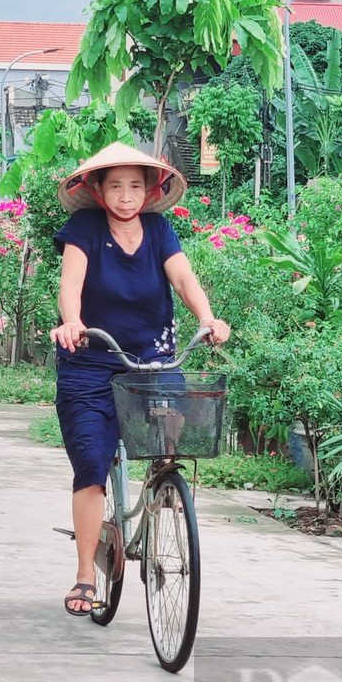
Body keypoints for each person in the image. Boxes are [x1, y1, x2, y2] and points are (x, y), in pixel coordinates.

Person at [48, 143, 230, 617]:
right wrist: (72, 322)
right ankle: (87, 573)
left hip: (150, 356)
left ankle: (161, 481)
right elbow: (71, 282)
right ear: (97, 189)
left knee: (172, 422)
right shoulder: (84, 229)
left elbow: (185, 279)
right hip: (89, 358)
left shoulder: (159, 229)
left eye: (134, 186)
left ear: (150, 192)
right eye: (115, 186)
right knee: (91, 464)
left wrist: (208, 318)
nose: (125, 197)